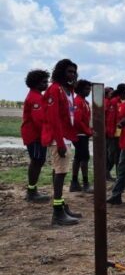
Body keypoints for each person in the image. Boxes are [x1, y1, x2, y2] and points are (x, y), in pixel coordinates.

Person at [41, 59, 81, 226]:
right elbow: (53, 118)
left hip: (66, 136)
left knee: (59, 170)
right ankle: (57, 212)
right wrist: (60, 142)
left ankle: (61, 205)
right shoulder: (54, 90)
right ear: (60, 72)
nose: (71, 75)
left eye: (73, 72)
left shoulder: (69, 90)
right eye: (68, 72)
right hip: (58, 138)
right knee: (61, 172)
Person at [21, 69, 51, 203]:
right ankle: (31, 192)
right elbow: (39, 120)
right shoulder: (35, 97)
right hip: (35, 135)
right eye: (44, 82)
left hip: (36, 135)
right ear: (36, 83)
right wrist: (47, 134)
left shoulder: (37, 95)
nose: (47, 84)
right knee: (37, 161)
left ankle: (32, 190)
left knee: (38, 160)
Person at [70, 80, 93, 193]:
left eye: (89, 89)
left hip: (83, 133)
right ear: (79, 89)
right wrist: (88, 131)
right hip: (80, 134)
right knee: (84, 158)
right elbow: (77, 120)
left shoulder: (85, 102)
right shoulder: (77, 101)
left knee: (79, 157)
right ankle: (85, 183)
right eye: (86, 89)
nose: (88, 91)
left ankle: (74, 183)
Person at [105, 83, 125, 181]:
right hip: (115, 134)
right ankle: (116, 176)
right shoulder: (114, 101)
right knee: (114, 156)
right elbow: (110, 119)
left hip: (124, 134)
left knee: (121, 155)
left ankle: (118, 175)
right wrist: (110, 133)